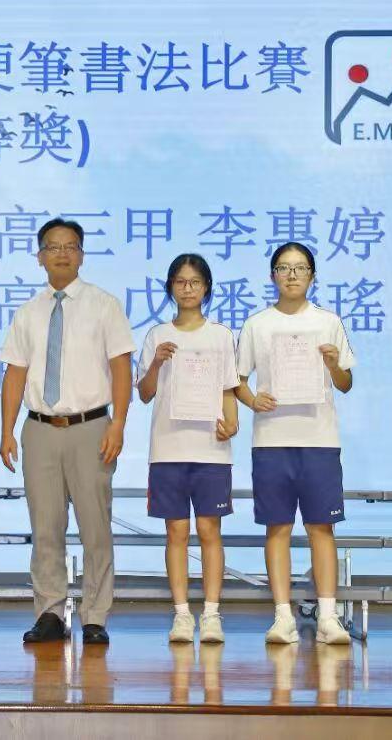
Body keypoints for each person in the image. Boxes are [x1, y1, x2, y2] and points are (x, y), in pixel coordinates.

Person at [0, 218, 135, 646]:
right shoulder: (28, 312)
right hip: (39, 429)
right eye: (53, 247)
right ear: (40, 257)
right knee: (45, 527)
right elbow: (15, 375)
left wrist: (118, 423)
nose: (62, 253)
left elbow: (121, 369)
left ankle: (95, 616)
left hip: (91, 427)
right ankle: (50, 613)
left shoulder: (104, 305)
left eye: (70, 246)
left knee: (96, 527)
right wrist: (7, 431)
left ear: (82, 255)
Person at [235, 242, 355, 645]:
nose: (291, 275)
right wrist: (253, 400)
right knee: (278, 527)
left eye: (300, 268)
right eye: (284, 268)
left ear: (312, 276)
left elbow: (346, 383)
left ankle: (328, 617)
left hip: (319, 439)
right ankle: (282, 617)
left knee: (322, 527)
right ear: (273, 275)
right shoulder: (257, 324)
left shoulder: (328, 322)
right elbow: (237, 379)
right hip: (272, 441)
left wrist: (333, 364)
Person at [136, 253, 239, 643]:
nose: (188, 288)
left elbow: (229, 388)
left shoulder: (221, 335)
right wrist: (155, 364)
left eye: (195, 282)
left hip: (211, 450)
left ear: (206, 287)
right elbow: (145, 394)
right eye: (180, 282)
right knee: (176, 532)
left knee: (210, 530)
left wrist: (232, 424)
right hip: (168, 450)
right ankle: (181, 614)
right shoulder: (157, 336)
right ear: (170, 288)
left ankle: (211, 614)